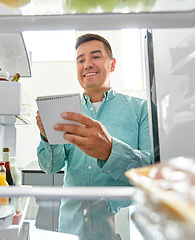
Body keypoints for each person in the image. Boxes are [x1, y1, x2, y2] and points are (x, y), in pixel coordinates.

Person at [36, 33, 152, 239]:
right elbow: (51, 167)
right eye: (80, 60)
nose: (87, 64)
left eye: (95, 57)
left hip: (120, 227)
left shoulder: (141, 109)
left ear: (112, 64)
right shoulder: (68, 111)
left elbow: (150, 170)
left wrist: (110, 151)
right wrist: (47, 137)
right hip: (70, 227)